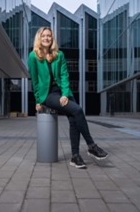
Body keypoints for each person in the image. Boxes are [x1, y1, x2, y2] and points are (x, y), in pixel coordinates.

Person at [28, 26, 108, 168]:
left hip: (63, 92)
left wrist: (65, 94)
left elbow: (65, 76)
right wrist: (38, 100)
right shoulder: (33, 56)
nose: (47, 38)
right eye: (44, 36)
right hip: (49, 94)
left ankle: (75, 157)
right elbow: (34, 80)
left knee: (73, 119)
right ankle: (91, 145)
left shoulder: (59, 55)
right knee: (77, 110)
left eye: (49, 36)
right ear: (39, 38)